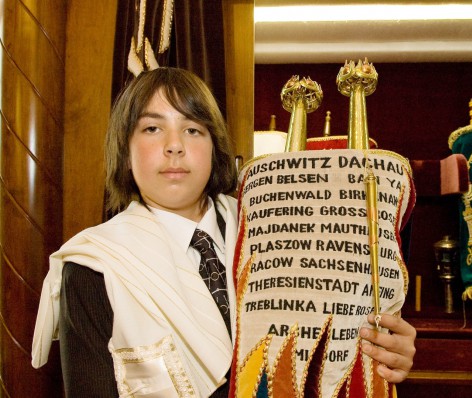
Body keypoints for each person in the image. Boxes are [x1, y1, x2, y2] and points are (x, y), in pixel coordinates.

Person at [32, 67, 416, 397]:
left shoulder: (274, 228)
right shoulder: (93, 266)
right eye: (152, 128)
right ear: (124, 148)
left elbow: (338, 344)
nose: (174, 146)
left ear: (215, 146)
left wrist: (386, 352)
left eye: (193, 129)